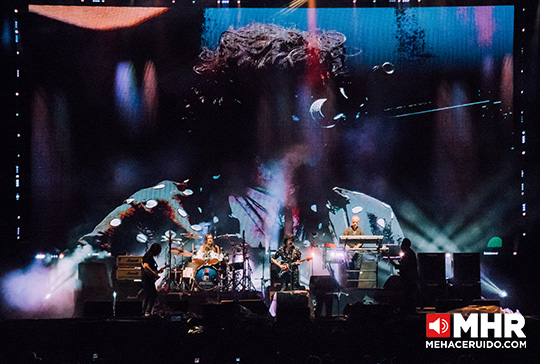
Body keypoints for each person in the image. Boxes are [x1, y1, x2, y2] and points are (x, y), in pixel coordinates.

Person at [388, 238, 419, 315]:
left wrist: (394, 264)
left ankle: (407, 311)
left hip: (408, 279)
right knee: (410, 295)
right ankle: (410, 311)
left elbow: (404, 267)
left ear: (405, 245)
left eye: (402, 244)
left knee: (407, 295)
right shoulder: (410, 253)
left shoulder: (407, 253)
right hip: (411, 278)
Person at [141, 243, 165, 316]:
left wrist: (157, 271)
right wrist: (155, 274)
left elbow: (149, 269)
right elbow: (146, 267)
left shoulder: (149, 255)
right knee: (152, 295)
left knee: (148, 295)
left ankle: (145, 312)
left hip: (148, 279)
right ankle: (147, 312)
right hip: (147, 279)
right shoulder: (149, 255)